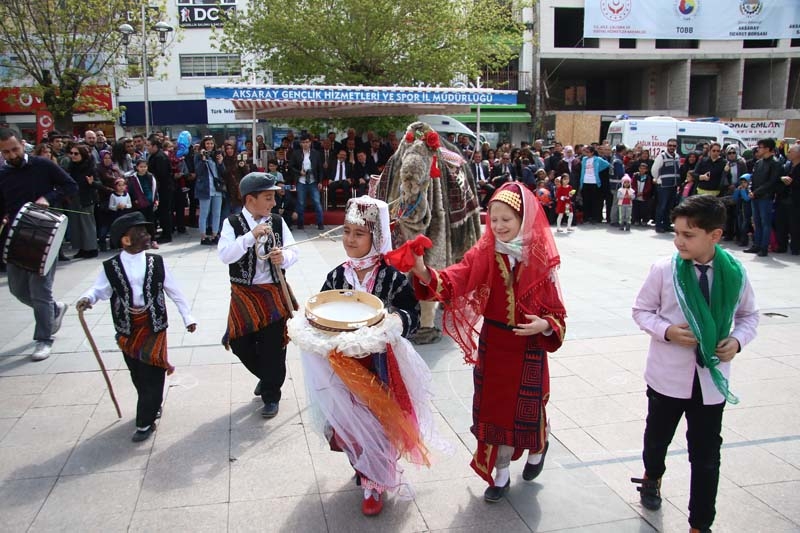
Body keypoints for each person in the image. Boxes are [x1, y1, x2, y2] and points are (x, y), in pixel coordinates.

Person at [410, 182, 566, 503]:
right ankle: (501, 474)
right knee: (494, 414)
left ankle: (538, 448)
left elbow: (557, 312)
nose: (498, 226)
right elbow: (459, 275)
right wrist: (425, 272)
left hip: (529, 348)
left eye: (506, 219)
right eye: (493, 219)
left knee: (529, 410)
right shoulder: (485, 251)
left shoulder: (539, 257)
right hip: (495, 346)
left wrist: (545, 325)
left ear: (523, 219)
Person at [292, 196, 436, 516]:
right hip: (342, 366)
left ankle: (374, 482)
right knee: (348, 421)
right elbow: (322, 313)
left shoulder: (392, 277)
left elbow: (411, 312)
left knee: (379, 420)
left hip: (379, 365)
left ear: (377, 237)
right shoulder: (336, 277)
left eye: (359, 234)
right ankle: (363, 466)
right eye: (346, 232)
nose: (350, 240)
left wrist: (394, 323)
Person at [631, 195, 758, 533]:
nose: (679, 241)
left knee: (705, 457)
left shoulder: (734, 272)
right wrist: (668, 331)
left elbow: (749, 317)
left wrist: (737, 341)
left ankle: (701, 524)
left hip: (711, 381)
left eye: (689, 235)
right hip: (667, 378)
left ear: (714, 236)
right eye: (676, 233)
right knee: (657, 440)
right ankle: (652, 476)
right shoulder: (664, 269)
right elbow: (641, 311)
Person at [76, 212, 197, 442]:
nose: (147, 235)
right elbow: (99, 290)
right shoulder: (110, 267)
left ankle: (145, 421)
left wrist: (187, 317)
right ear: (125, 240)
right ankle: (151, 404)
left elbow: (174, 291)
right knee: (137, 373)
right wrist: (86, 299)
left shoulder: (156, 262)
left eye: (146, 231)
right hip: (127, 329)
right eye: (140, 232)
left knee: (154, 371)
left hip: (154, 325)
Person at [218, 172, 298, 418]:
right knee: (239, 343)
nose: (273, 203)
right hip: (244, 294)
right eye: (268, 197)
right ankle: (267, 377)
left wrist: (282, 257)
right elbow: (225, 255)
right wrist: (250, 237)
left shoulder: (276, 221)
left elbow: (294, 252)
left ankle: (271, 395)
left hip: (273, 292)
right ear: (250, 200)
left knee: (274, 346)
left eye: (273, 197)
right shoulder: (232, 224)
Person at [0, 128, 78, 360]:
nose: (12, 155)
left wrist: (48, 198)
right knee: (18, 290)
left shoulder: (43, 165)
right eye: (5, 152)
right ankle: (53, 310)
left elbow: (70, 186)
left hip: (45, 233)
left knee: (39, 290)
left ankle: (44, 339)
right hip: (15, 237)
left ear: (23, 144)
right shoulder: (2, 174)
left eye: (14, 149)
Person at [745, 138, 783, 257]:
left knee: (765, 222)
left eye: (760, 147)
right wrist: (750, 190)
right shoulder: (758, 162)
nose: (758, 149)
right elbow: (753, 179)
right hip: (755, 197)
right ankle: (756, 245)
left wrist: (756, 192)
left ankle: (764, 247)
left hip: (766, 197)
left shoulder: (775, 163)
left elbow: (771, 182)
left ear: (767, 149)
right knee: (756, 222)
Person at [289, 134, 324, 230]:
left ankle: (320, 223)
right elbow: (291, 166)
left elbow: (320, 169)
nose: (305, 144)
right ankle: (300, 224)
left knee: (317, 202)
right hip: (301, 181)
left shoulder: (316, 153)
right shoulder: (296, 153)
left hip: (313, 181)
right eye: (303, 142)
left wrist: (320, 181)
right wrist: (299, 172)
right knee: (301, 202)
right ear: (300, 144)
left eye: (307, 142)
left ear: (310, 143)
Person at [194, 136, 225, 245]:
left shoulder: (216, 155)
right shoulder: (198, 156)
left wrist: (220, 162)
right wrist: (203, 160)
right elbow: (198, 171)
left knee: (217, 213)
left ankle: (215, 234)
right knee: (204, 213)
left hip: (217, 189)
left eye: (211, 143)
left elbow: (223, 172)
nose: (209, 146)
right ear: (204, 145)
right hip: (205, 189)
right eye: (207, 144)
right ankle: (203, 236)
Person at [651, 139, 681, 233]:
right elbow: (654, 170)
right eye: (670, 145)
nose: (672, 147)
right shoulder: (662, 156)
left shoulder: (677, 156)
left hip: (673, 185)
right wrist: (658, 179)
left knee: (669, 207)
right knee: (662, 206)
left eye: (674, 146)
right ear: (667, 146)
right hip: (663, 185)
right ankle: (659, 225)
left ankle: (667, 225)